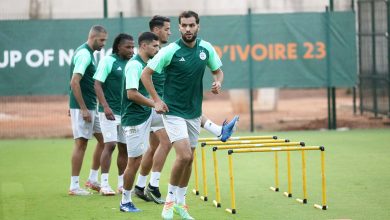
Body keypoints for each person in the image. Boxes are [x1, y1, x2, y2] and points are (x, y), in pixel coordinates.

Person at [134, 15, 239, 205]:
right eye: (184, 25)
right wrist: (156, 101)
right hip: (172, 111)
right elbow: (145, 74)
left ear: (198, 26)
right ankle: (169, 201)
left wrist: (218, 82)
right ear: (180, 28)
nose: (188, 29)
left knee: (189, 160)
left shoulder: (206, 48)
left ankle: (180, 203)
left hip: (194, 112)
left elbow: (218, 71)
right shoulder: (170, 51)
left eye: (191, 25)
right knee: (184, 155)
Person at [119, 32, 160, 212]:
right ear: (144, 46)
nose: (157, 50)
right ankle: (125, 201)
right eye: (154, 46)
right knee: (134, 161)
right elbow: (131, 94)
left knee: (175, 118)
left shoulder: (146, 64)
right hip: (134, 119)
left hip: (146, 114)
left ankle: (215, 129)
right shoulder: (135, 65)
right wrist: (154, 103)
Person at [93, 33, 135, 195]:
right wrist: (105, 106)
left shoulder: (133, 62)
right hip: (108, 112)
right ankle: (104, 184)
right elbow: (97, 84)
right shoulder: (108, 61)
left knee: (124, 148)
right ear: (118, 47)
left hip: (126, 113)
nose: (132, 50)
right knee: (109, 145)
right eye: (128, 47)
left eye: (133, 47)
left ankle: (121, 184)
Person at [68, 25, 107, 196]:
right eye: (102, 40)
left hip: (91, 106)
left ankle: (92, 179)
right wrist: (82, 108)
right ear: (93, 37)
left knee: (105, 141)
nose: (104, 43)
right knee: (81, 143)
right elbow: (74, 82)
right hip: (84, 107)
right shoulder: (84, 54)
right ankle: (74, 186)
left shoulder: (88, 54)